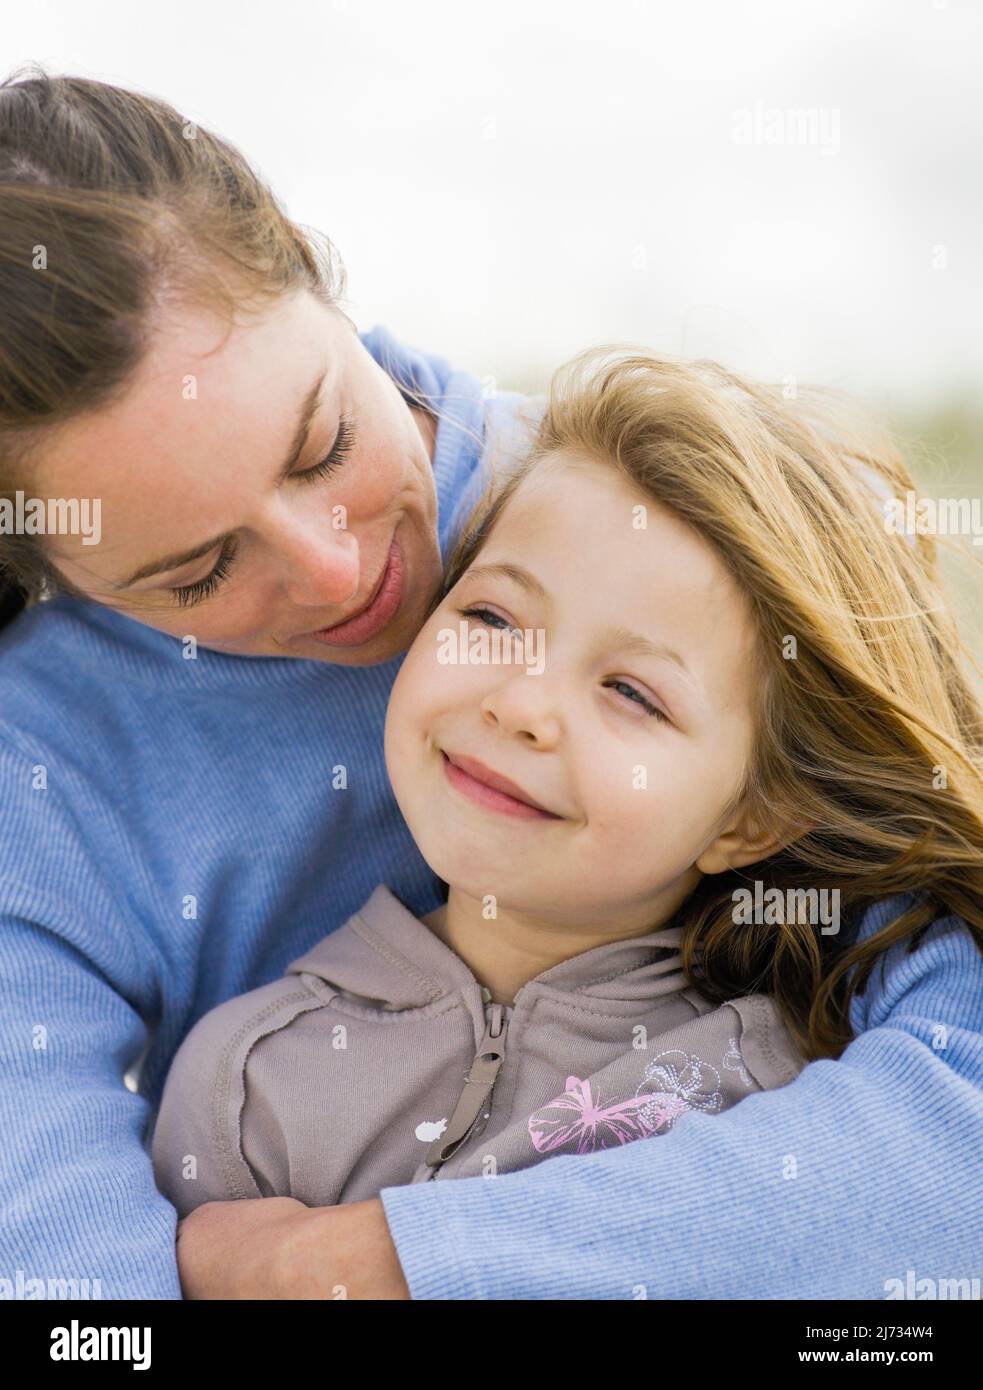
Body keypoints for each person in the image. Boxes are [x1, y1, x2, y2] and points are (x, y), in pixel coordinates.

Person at [1, 70, 980, 1302]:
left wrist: (395, 1264)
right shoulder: (37, 781)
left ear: (310, 265)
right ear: (52, 563)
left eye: (325, 443)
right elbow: (69, 1305)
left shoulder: (668, 519)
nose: (338, 567)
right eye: (198, 572)